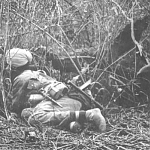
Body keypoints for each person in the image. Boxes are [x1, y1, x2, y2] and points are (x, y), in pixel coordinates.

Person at [6, 48, 106, 133]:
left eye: (7, 65)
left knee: (35, 118)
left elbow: (16, 107)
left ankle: (89, 115)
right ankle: (73, 123)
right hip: (71, 101)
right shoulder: (35, 73)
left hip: (66, 101)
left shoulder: (22, 78)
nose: (6, 68)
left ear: (13, 67)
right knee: (26, 113)